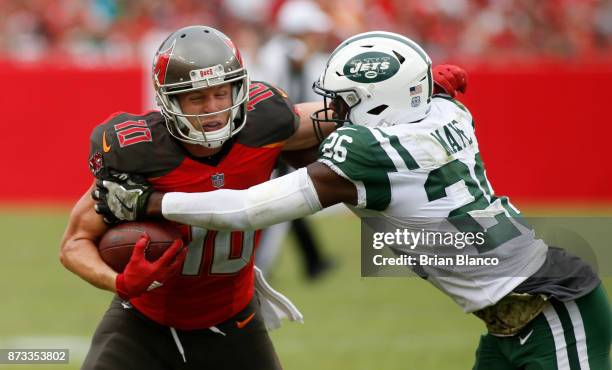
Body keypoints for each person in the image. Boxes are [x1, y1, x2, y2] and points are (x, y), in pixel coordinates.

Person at [96, 31, 611, 370]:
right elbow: (427, 93)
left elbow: (247, 209)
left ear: (378, 100)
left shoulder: (368, 151)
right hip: (509, 317)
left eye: (343, 100)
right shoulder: (445, 112)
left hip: (547, 308)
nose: (333, 110)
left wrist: (151, 203)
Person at [60, 26, 467, 370]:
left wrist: (420, 93)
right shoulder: (139, 153)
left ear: (239, 87)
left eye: (222, 93)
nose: (213, 109)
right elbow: (74, 243)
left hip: (233, 320)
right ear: (170, 102)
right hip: (142, 322)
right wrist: (121, 282)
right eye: (196, 98)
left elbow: (345, 112)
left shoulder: (263, 125)